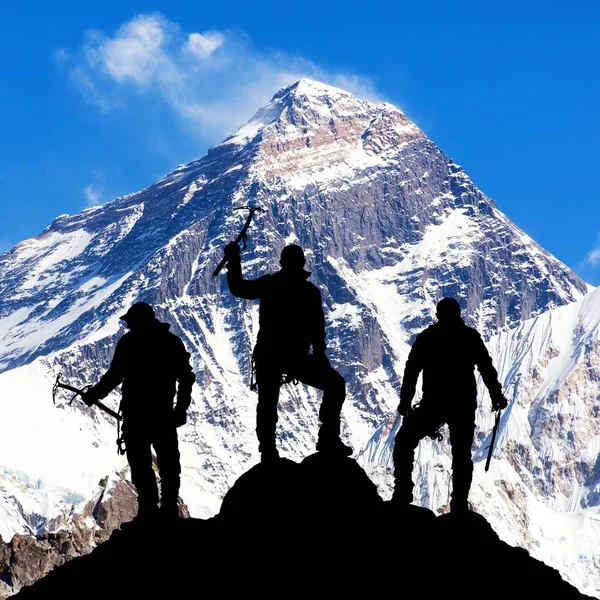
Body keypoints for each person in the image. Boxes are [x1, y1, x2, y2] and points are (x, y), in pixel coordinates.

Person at [223, 242, 352, 461]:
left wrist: (234, 260)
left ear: (282, 262)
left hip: (270, 355)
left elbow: (239, 288)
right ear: (302, 263)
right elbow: (317, 330)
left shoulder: (270, 284)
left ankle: (267, 448)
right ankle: (328, 437)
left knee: (267, 401)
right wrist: (320, 357)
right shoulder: (310, 292)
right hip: (296, 358)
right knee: (335, 384)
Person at [82, 302, 195, 522]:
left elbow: (114, 376)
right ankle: (168, 508)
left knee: (141, 465)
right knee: (168, 463)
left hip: (136, 416)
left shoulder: (129, 343)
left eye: (131, 322)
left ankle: (148, 511)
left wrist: (94, 395)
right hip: (163, 415)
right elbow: (186, 377)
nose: (129, 326)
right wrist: (180, 409)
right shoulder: (171, 343)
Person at [392, 297, 508, 512]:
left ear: (438, 315)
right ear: (458, 314)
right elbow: (485, 367)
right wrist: (496, 395)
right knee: (462, 454)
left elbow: (412, 370)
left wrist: (406, 401)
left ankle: (402, 491)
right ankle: (459, 503)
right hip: (462, 405)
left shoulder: (428, 337)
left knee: (404, 440)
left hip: (433, 404)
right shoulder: (470, 337)